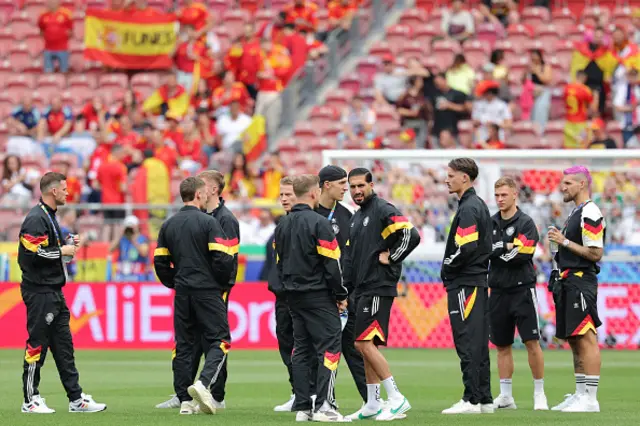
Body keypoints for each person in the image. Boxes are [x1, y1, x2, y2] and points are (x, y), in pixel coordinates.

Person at [18, 172, 106, 414]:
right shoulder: (36, 218)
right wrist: (62, 250)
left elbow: (48, 251)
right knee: (37, 345)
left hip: (54, 291)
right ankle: (30, 400)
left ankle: (76, 399)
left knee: (64, 347)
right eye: (65, 189)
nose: (68, 192)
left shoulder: (49, 216)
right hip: (40, 292)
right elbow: (31, 255)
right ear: (53, 191)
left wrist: (65, 245)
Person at [153, 177, 235, 415]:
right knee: (221, 339)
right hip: (207, 291)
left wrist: (175, 281)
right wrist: (217, 283)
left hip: (183, 292)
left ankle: (184, 401)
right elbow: (223, 259)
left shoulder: (168, 225)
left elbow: (159, 261)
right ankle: (203, 382)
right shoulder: (208, 223)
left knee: (184, 344)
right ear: (199, 195)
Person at [344, 168, 420, 421]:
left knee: (362, 343)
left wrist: (393, 257)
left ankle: (396, 398)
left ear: (371, 185)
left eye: (360, 186)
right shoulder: (357, 218)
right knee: (367, 346)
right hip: (361, 289)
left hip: (378, 287)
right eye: (352, 187)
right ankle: (373, 402)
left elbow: (412, 234)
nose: (356, 191)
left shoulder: (382, 209)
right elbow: (352, 260)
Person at [274, 174, 348, 422]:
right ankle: (325, 405)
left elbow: (280, 263)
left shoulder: (282, 225)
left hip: (292, 297)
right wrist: (341, 294)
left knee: (302, 350)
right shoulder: (319, 223)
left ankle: (304, 406)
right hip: (318, 295)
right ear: (314, 193)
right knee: (329, 348)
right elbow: (332, 264)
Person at [547, 166, 605, 413]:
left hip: (581, 281)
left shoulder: (590, 212)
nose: (563, 187)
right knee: (574, 339)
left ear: (582, 184)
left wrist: (564, 242)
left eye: (569, 183)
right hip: (568, 280)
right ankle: (580, 394)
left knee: (586, 337)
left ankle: (591, 399)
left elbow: (595, 252)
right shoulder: (576, 212)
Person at [489, 177, 548, 411]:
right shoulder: (490, 222)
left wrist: (500, 250)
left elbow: (523, 254)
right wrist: (507, 245)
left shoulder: (526, 222)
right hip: (498, 291)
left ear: (515, 194)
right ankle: (506, 396)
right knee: (502, 345)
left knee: (532, 342)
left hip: (522, 289)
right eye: (497, 196)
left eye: (504, 195)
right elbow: (485, 251)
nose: (500, 199)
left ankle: (539, 393)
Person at [440, 158, 493, 414]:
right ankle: (484, 399)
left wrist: (448, 264)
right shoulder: (475, 204)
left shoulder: (470, 207)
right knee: (479, 342)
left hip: (465, 283)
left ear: (465, 177)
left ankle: (471, 399)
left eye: (451, 175)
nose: (446, 179)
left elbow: (467, 247)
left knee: (467, 340)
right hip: (476, 282)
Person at [316, 166, 367, 405]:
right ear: (327, 184)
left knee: (354, 350)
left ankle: (372, 401)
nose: (347, 188)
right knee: (319, 350)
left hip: (345, 295)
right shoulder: (310, 213)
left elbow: (352, 256)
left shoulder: (347, 216)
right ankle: (318, 400)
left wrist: (345, 293)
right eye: (342, 183)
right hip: (318, 294)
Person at [269, 176, 299, 412]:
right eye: (282, 194)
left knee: (306, 347)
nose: (284, 198)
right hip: (283, 295)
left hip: (302, 295)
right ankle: (298, 391)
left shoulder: (310, 222)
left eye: (289, 194)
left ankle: (315, 394)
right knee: (285, 343)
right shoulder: (282, 225)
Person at [108, 215, 151, 282]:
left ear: (137, 226)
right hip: (123, 275)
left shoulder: (143, 239)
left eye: (132, 226)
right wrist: (120, 234)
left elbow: (144, 253)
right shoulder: (122, 239)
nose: (130, 229)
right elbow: (110, 249)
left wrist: (133, 239)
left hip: (138, 275)